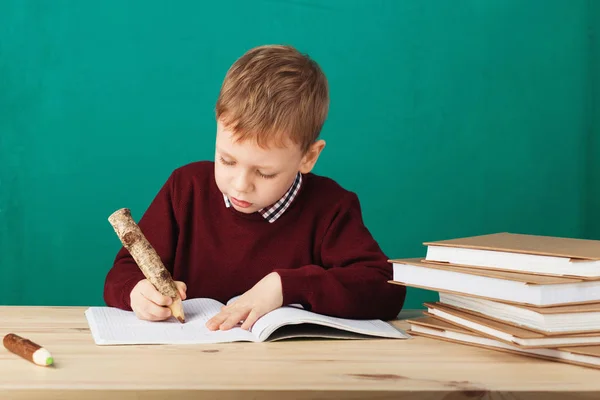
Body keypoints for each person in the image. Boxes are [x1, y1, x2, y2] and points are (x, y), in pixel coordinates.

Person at [103, 44, 406, 331]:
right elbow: (123, 272)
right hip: (191, 368)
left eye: (264, 173)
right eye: (227, 160)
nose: (240, 185)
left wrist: (285, 286)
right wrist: (136, 292)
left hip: (291, 373)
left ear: (308, 157)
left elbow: (384, 289)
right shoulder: (186, 189)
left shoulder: (331, 208)